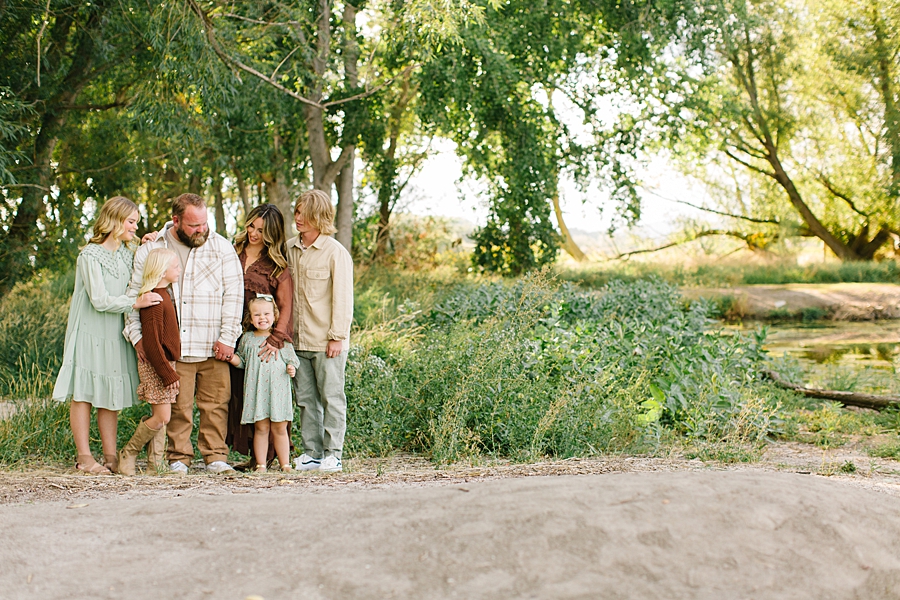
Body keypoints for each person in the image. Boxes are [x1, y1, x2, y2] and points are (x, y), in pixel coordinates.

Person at [125, 193, 243, 474]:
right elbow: (134, 295)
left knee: (216, 403)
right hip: (174, 346)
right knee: (180, 405)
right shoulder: (152, 248)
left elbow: (234, 295)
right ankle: (178, 457)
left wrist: (228, 338)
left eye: (204, 223)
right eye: (193, 225)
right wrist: (137, 336)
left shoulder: (222, 248)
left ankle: (215, 456)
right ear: (176, 220)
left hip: (213, 342)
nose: (201, 230)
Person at [52, 196, 162, 475]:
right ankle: (85, 458)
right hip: (89, 330)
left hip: (114, 332)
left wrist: (148, 240)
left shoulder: (128, 252)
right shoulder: (89, 255)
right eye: (131, 222)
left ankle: (111, 457)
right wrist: (135, 304)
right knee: (84, 391)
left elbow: (149, 260)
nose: (135, 228)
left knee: (109, 390)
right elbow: (99, 300)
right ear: (114, 220)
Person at [286, 190, 353, 473]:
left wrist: (337, 336)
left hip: (327, 342)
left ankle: (333, 454)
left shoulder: (335, 252)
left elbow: (343, 297)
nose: (298, 218)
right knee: (305, 400)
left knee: (331, 397)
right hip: (298, 340)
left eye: (304, 213)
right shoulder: (288, 248)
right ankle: (312, 453)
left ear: (319, 216)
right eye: (297, 211)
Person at [226, 204, 294, 466]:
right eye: (251, 226)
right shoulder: (233, 252)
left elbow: (286, 306)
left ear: (272, 234)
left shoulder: (277, 265)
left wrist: (276, 339)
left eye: (261, 230)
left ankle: (273, 457)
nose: (254, 233)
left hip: (264, 340)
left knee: (268, 397)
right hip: (236, 338)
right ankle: (254, 456)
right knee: (241, 397)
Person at [117, 248, 181, 476]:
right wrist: (167, 373)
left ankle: (156, 465)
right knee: (162, 416)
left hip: (164, 364)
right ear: (162, 271)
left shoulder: (164, 294)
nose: (179, 270)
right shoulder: (154, 298)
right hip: (156, 366)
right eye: (175, 267)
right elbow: (152, 345)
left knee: (162, 415)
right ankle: (128, 452)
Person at [228, 295, 300, 472]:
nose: (262, 318)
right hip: (257, 391)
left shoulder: (281, 340)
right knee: (260, 427)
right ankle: (260, 464)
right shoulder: (247, 339)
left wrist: (291, 368)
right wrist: (231, 358)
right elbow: (242, 362)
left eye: (266, 314)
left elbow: (293, 360)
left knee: (280, 428)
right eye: (257, 315)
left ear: (275, 316)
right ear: (250, 319)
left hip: (278, 392)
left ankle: (285, 464)